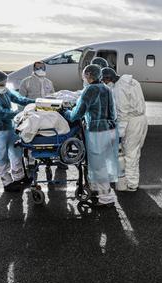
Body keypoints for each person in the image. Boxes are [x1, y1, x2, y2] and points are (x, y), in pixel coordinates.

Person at [64, 65, 119, 207]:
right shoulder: (106, 88)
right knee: (103, 163)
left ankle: (106, 198)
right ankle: (98, 190)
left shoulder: (90, 90)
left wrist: (66, 112)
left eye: (85, 75)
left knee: (98, 165)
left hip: (97, 132)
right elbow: (113, 112)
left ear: (89, 75)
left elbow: (77, 114)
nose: (84, 78)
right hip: (110, 130)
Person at [0, 71, 35, 192]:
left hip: (10, 126)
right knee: (2, 155)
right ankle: (7, 182)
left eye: (5, 83)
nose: (4, 86)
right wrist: (19, 113)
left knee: (16, 151)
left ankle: (19, 176)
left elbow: (18, 98)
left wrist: (34, 102)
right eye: (1, 84)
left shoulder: (5, 90)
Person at [101, 67, 148, 192]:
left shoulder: (118, 89)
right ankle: (132, 180)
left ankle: (131, 184)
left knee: (130, 154)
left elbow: (123, 114)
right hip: (142, 119)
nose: (105, 84)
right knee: (135, 152)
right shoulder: (133, 81)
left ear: (109, 78)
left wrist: (119, 134)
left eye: (105, 81)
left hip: (132, 122)